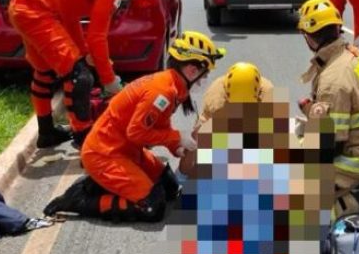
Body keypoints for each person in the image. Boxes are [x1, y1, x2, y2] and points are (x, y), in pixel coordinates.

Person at [45, 30, 225, 222]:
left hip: (128, 150)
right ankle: (79, 199)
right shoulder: (162, 91)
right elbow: (137, 132)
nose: (205, 80)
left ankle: (104, 183)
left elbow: (160, 125)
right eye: (205, 74)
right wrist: (177, 137)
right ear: (191, 70)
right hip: (106, 154)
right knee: (152, 207)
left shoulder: (173, 88)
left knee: (170, 188)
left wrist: (177, 148)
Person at [8, 0, 159, 147]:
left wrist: (84, 52)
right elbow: (98, 37)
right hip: (35, 11)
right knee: (79, 76)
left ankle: (46, 133)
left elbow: (71, 16)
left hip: (26, 6)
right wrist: (109, 80)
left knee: (45, 73)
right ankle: (83, 136)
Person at [295, 0, 359, 219]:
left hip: (354, 161)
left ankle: (351, 203)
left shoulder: (333, 81)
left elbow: (331, 145)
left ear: (309, 38)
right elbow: (350, 107)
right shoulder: (356, 56)